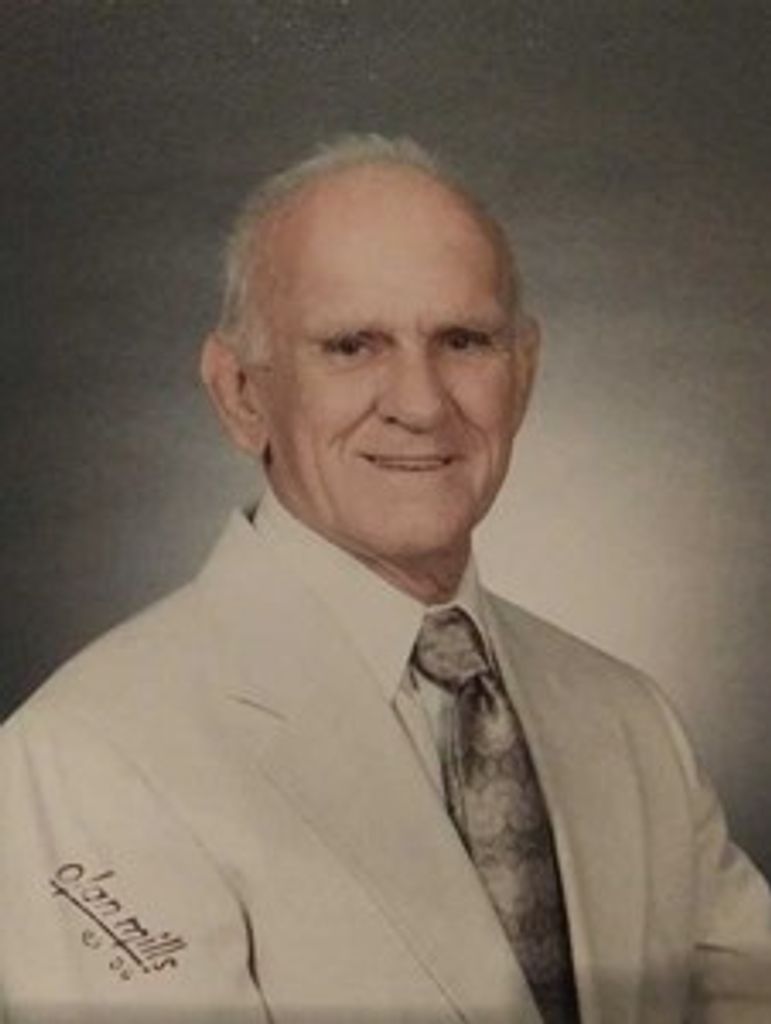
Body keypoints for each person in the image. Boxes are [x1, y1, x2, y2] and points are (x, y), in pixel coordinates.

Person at [1, 135, 770, 1024]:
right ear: (240, 394)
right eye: (351, 345)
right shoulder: (92, 756)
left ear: (522, 375)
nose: (420, 402)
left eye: (464, 341)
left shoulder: (628, 719)